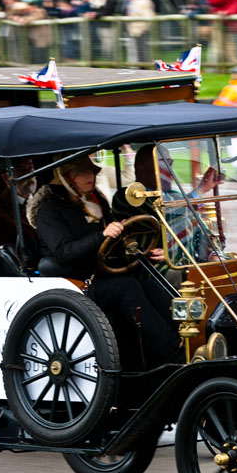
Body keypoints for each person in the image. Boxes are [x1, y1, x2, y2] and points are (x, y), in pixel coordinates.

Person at [28, 154, 181, 367]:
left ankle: (185, 340)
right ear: (65, 177)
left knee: (149, 284)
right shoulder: (49, 210)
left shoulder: (94, 200)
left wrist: (141, 254)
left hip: (102, 273)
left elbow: (110, 245)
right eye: (81, 172)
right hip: (75, 282)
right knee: (126, 287)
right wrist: (103, 234)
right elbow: (64, 252)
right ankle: (170, 351)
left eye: (91, 171)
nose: (89, 176)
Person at [0, 156, 39, 263]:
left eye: (31, 168)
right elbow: (5, 259)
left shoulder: (46, 201)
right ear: (6, 178)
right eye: (21, 171)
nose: (29, 175)